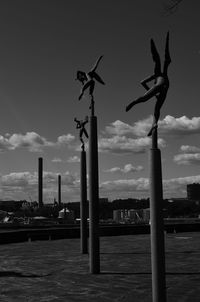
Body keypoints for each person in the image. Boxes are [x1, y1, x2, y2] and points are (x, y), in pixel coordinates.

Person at [126, 32, 171, 136]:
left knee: (143, 98)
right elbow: (164, 60)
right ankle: (154, 124)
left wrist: (150, 91)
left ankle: (132, 103)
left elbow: (142, 82)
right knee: (157, 108)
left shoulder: (157, 74)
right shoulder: (161, 74)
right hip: (165, 88)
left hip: (160, 85)